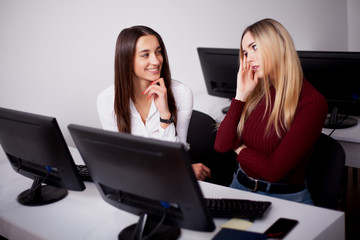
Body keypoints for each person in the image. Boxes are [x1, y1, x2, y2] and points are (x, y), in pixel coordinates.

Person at [214, 18, 328, 204]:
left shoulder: (312, 103)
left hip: (282, 198)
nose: (248, 58)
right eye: (245, 52)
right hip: (239, 185)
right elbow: (220, 145)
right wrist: (240, 95)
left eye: (254, 47)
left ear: (278, 46)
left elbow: (272, 171)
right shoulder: (257, 91)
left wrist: (237, 147)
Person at [97, 25, 211, 180]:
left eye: (158, 52)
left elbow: (177, 155)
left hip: (172, 182)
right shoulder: (107, 100)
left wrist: (165, 115)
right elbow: (118, 158)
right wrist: (182, 170)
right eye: (145, 55)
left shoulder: (181, 93)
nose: (156, 60)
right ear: (126, 59)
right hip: (134, 181)